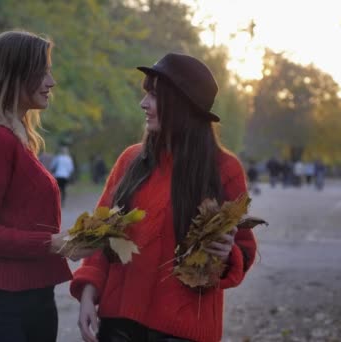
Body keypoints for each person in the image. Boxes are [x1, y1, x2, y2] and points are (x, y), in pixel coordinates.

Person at [70, 53, 257, 342]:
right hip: (118, 326)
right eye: (146, 94)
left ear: (183, 105)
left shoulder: (223, 169)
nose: (143, 104)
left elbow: (243, 250)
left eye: (154, 96)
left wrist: (225, 253)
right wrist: (88, 293)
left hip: (183, 331)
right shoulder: (130, 160)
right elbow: (101, 236)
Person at [0, 31, 94, 342]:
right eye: (42, 71)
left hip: (30, 301)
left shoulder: (14, 142)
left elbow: (20, 219)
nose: (51, 81)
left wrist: (69, 240)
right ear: (15, 75)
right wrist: (53, 243)